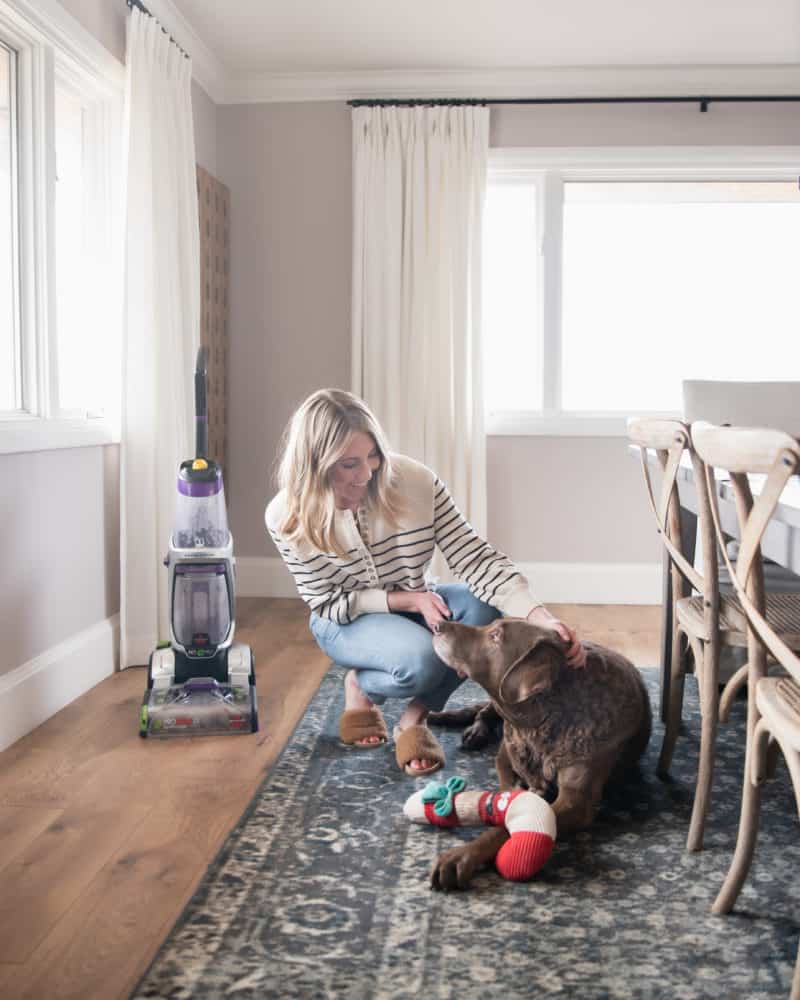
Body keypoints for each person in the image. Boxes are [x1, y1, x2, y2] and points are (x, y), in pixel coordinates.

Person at [266, 388, 587, 777]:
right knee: (421, 662)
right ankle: (363, 687)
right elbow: (328, 602)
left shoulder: (414, 482)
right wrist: (406, 601)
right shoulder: (286, 516)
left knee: (482, 619)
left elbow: (476, 558)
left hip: (421, 599)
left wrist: (542, 619)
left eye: (373, 456)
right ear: (314, 466)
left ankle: (415, 716)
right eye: (349, 464)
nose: (366, 475)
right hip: (343, 620)